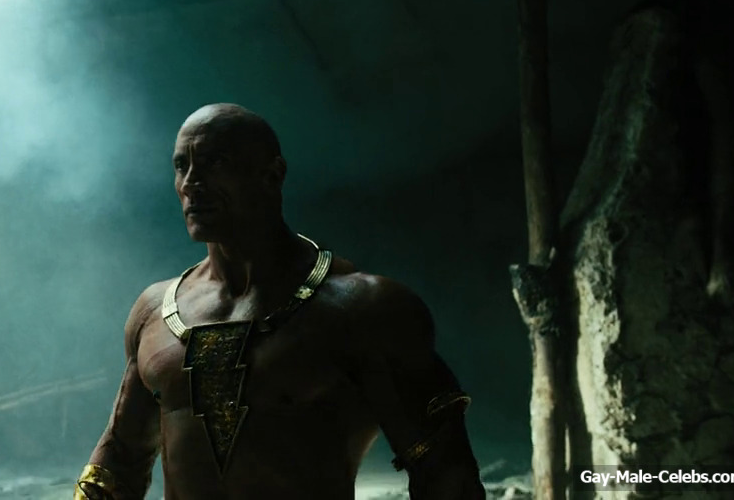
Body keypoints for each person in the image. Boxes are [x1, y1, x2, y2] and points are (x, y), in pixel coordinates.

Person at [75, 104, 485, 499]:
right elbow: (117, 466)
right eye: (182, 166)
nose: (190, 183)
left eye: (216, 162)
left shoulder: (365, 309)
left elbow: (446, 476)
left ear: (272, 174)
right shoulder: (156, 312)